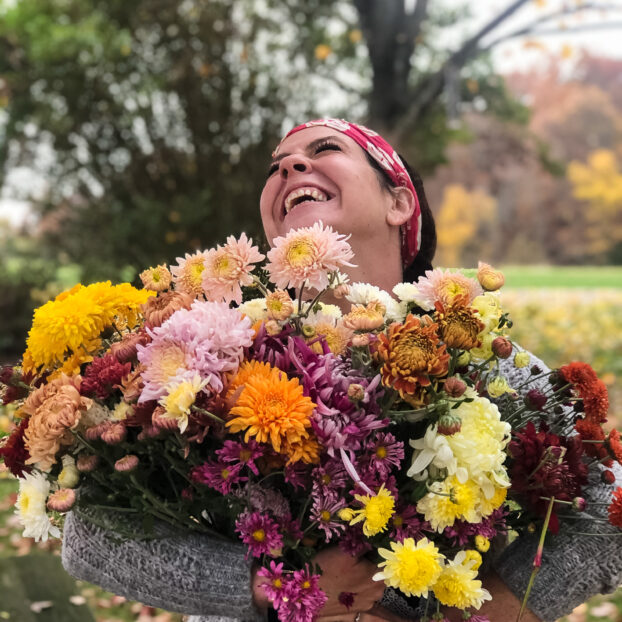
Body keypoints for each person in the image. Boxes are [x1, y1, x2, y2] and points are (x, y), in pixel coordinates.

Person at [62, 119, 622, 622]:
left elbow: (609, 504)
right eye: (276, 166)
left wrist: (499, 608)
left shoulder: (479, 360)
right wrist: (269, 588)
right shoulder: (206, 356)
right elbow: (87, 535)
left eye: (324, 148)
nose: (288, 166)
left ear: (399, 202)